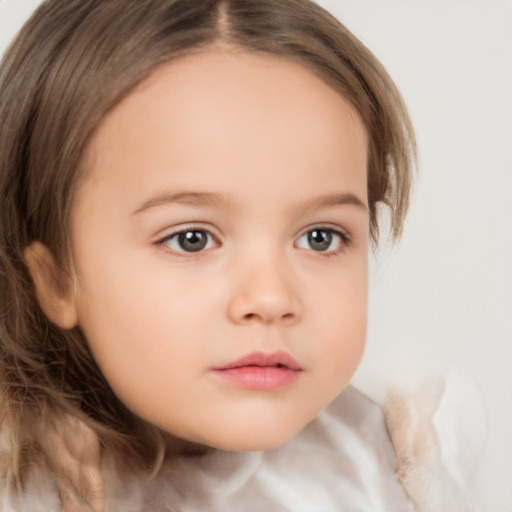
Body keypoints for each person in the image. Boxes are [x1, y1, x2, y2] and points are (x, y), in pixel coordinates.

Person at [0, 1, 484, 511]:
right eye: (191, 239)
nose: (271, 297)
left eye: (320, 237)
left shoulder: (403, 465)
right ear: (55, 280)